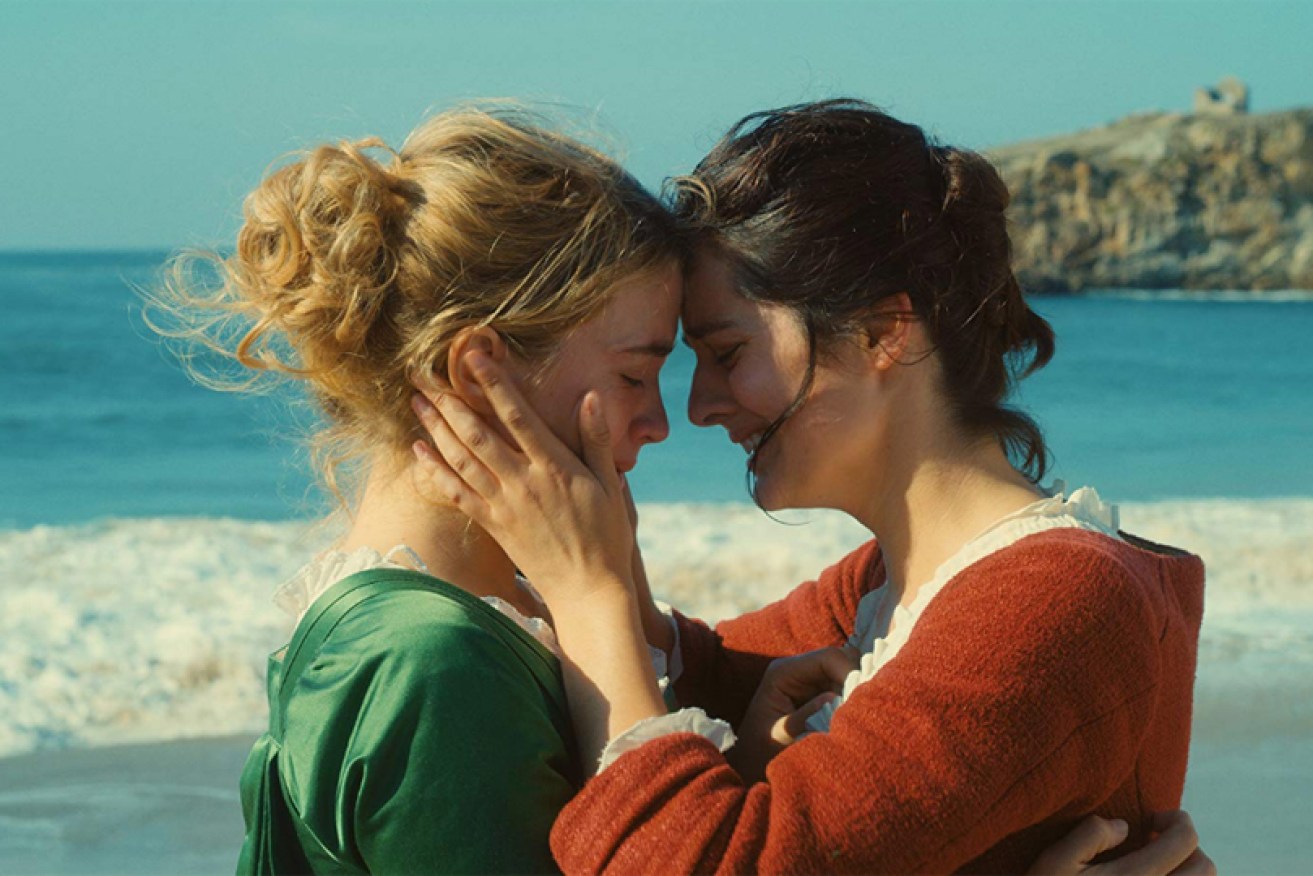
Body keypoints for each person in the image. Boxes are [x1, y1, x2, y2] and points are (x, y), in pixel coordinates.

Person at [411, 99, 1210, 874]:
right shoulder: (883, 587)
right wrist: (604, 562)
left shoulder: (1052, 600)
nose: (698, 406)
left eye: (725, 353)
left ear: (879, 334)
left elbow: (706, 864)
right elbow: (709, 673)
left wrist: (587, 594)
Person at [151, 105, 686, 873]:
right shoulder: (436, 666)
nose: (661, 421)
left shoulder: (475, 618)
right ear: (480, 371)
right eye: (635, 374)